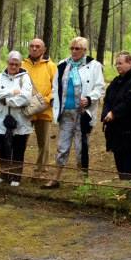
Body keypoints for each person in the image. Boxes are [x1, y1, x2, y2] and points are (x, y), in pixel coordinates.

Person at [43, 37, 105, 189]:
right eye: (72, 48)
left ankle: (83, 181)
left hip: (83, 114)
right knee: (62, 146)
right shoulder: (63, 65)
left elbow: (100, 87)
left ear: (85, 50)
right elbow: (56, 87)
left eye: (78, 48)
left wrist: (90, 99)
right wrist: (54, 101)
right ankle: (56, 178)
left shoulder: (94, 65)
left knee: (81, 148)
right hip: (66, 113)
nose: (74, 51)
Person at [0, 51, 35, 186]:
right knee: (2, 148)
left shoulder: (25, 78)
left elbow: (26, 98)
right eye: (11, 63)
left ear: (20, 64)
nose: (13, 66)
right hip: (1, 119)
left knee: (18, 148)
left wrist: (6, 101)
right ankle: (4, 174)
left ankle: (16, 176)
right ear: (7, 63)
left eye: (16, 64)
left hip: (20, 119)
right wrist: (11, 92)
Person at [101, 51, 131, 179]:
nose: (117, 66)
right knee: (120, 163)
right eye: (116, 64)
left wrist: (114, 113)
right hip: (117, 132)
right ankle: (124, 185)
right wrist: (106, 113)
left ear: (130, 63)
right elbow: (107, 100)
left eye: (120, 63)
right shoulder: (115, 82)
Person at [23, 38, 58, 176]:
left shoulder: (51, 66)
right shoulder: (22, 65)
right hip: (25, 110)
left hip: (44, 109)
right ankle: (15, 168)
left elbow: (56, 88)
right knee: (20, 140)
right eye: (32, 46)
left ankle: (41, 170)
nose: (34, 48)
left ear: (43, 49)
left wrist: (46, 101)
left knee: (44, 143)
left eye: (38, 46)